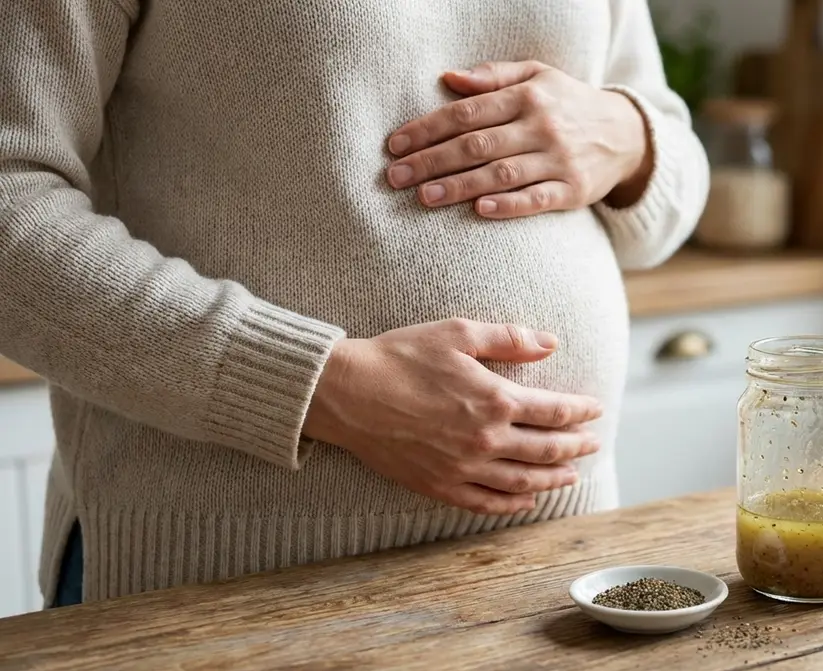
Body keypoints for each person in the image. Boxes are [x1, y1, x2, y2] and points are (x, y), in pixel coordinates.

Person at [1, 0, 709, 606]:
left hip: (563, 556)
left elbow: (667, 190)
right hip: (225, 573)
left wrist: (627, 138)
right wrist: (317, 388)